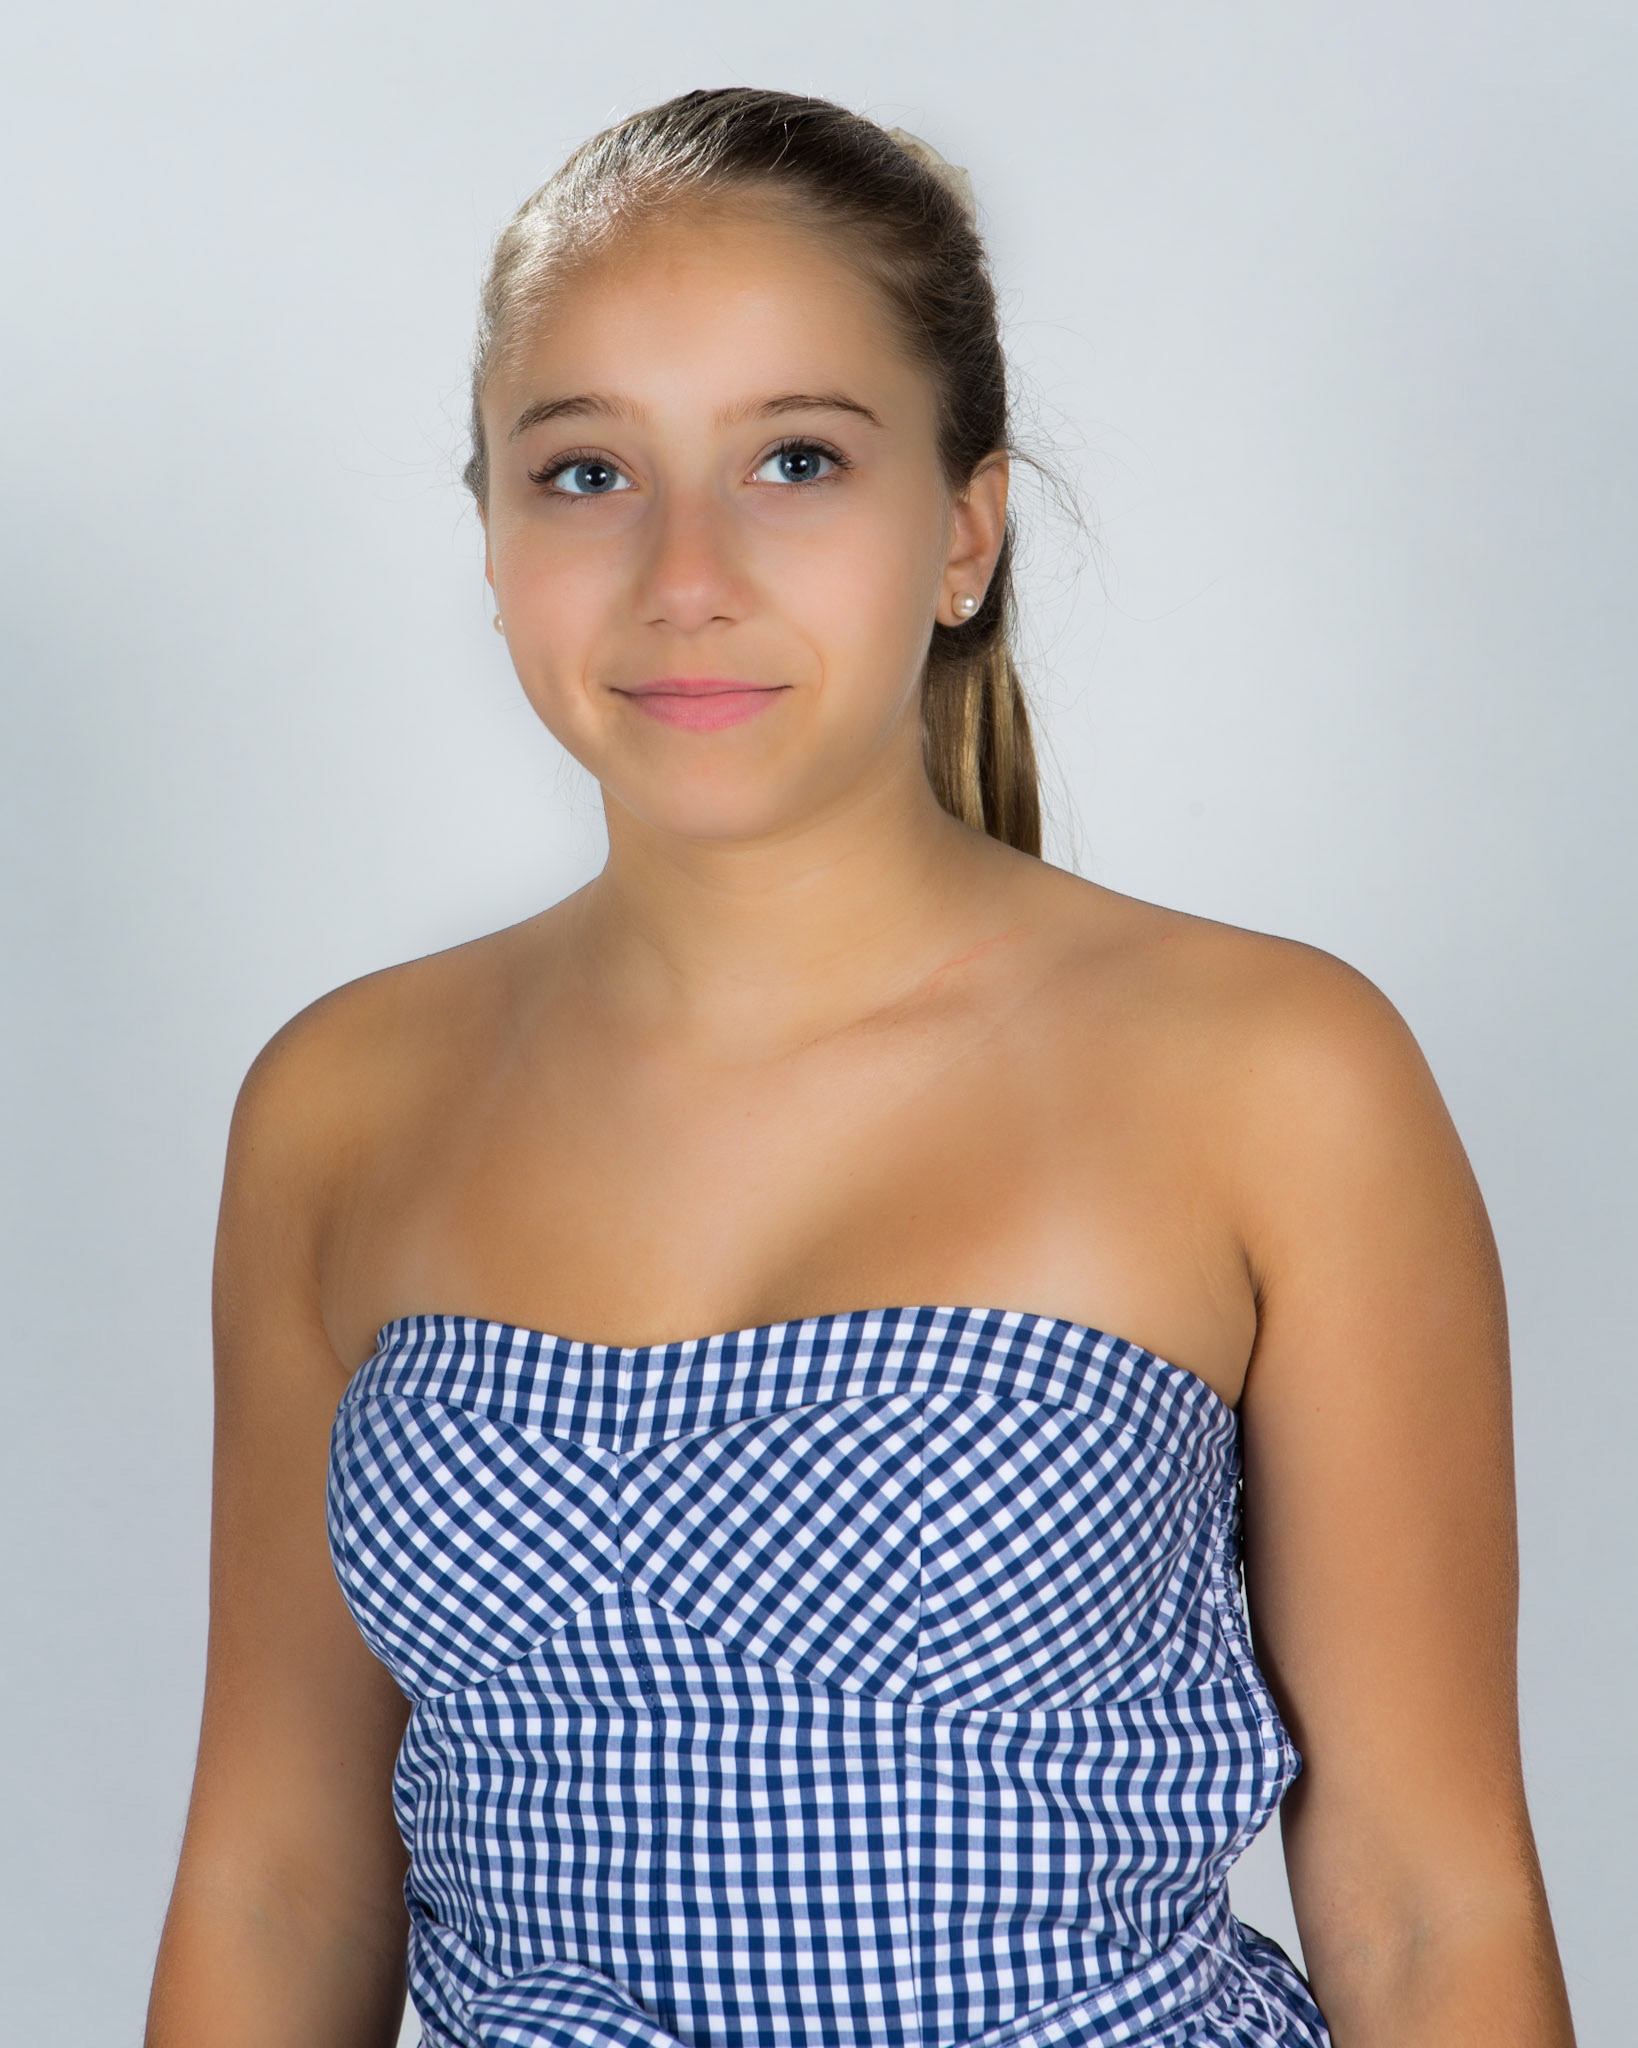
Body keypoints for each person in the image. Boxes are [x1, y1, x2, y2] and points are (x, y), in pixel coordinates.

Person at [145, 87, 1575, 2048]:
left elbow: (1429, 1908)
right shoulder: (342, 1100)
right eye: (585, 472)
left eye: (797, 459)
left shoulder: (1273, 1075)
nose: (685, 571)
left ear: (964, 528)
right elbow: (276, 1883)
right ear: (489, 531)